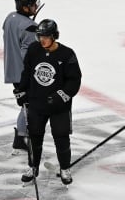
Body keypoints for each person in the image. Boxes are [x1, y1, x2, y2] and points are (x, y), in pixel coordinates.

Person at [14, 19, 82, 186]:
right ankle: (33, 166)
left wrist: (60, 96)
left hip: (59, 107)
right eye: (40, 36)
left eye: (46, 36)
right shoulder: (34, 49)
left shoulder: (67, 54)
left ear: (54, 36)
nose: (42, 40)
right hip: (36, 104)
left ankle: (65, 168)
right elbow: (27, 73)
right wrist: (21, 90)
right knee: (35, 137)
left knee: (61, 137)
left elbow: (74, 81)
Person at [2, 0, 39, 154]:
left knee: (26, 104)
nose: (35, 6)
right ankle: (22, 139)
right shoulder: (30, 27)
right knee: (30, 105)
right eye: (32, 5)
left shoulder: (10, 17)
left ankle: (21, 138)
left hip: (12, 69)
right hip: (24, 74)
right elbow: (28, 55)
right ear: (24, 8)